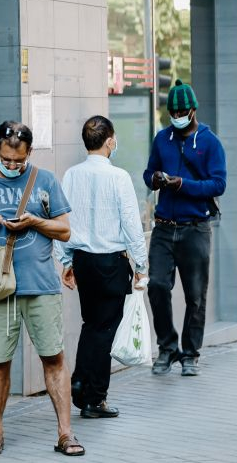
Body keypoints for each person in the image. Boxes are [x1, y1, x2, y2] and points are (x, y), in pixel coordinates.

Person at [0, 122, 84, 456]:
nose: (13, 165)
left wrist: (34, 221)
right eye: (7, 159)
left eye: (20, 160)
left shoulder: (45, 180)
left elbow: (65, 230)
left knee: (53, 358)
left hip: (41, 285)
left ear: (30, 153)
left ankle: (66, 434)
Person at [55, 116, 149, 419]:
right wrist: (141, 265)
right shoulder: (118, 177)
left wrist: (66, 260)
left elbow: (62, 219)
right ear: (109, 141)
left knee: (92, 323)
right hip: (111, 262)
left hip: (83, 260)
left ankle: (81, 383)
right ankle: (93, 397)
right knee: (104, 328)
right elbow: (132, 224)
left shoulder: (71, 175)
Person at [143, 80, 226, 377]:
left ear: (193, 110)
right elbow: (148, 172)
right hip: (164, 227)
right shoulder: (161, 138)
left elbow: (219, 184)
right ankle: (167, 347)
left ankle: (190, 353)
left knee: (196, 295)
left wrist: (183, 184)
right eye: (173, 112)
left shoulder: (210, 142)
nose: (177, 116)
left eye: (181, 112)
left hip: (196, 228)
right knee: (156, 286)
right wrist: (155, 179)